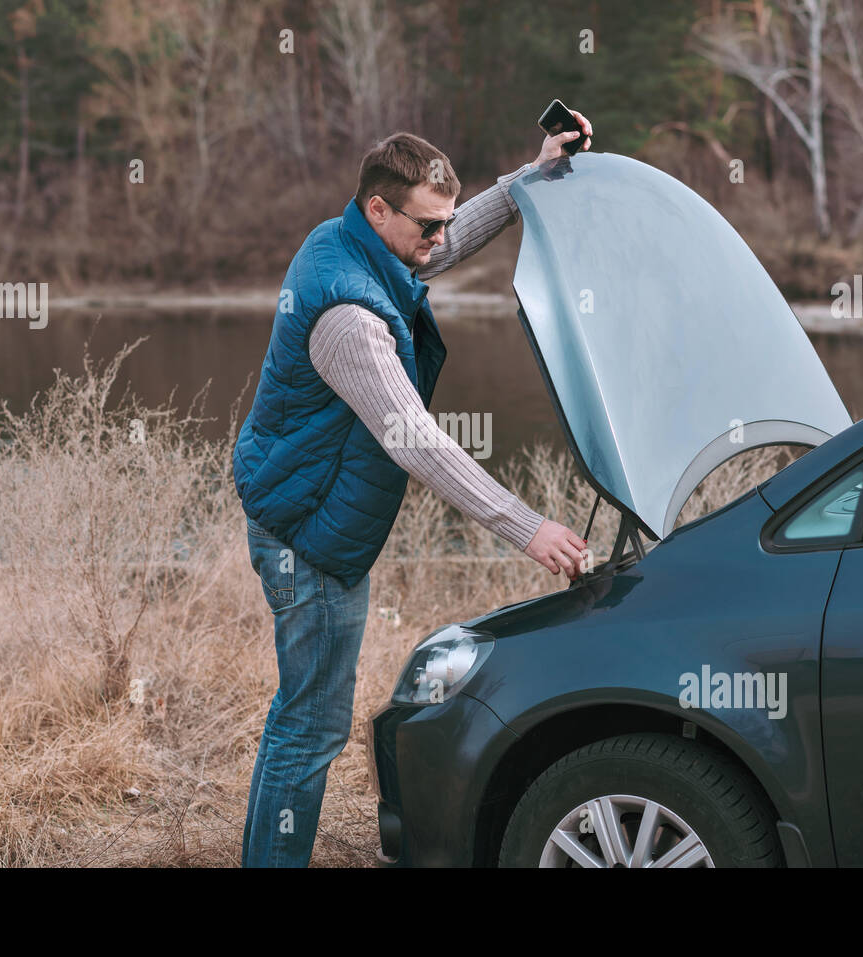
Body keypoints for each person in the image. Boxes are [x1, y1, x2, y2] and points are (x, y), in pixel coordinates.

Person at [232, 111, 594, 867]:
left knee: (302, 720)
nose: (438, 242)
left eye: (443, 225)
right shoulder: (350, 319)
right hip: (306, 536)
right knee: (309, 728)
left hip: (306, 508)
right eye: (426, 226)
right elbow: (416, 442)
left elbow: (447, 240)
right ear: (379, 209)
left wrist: (534, 173)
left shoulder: (352, 243)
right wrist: (529, 527)